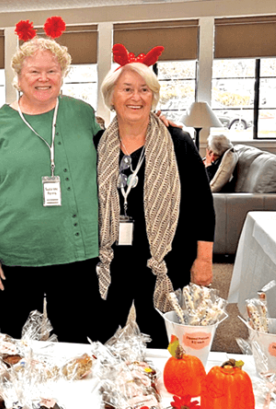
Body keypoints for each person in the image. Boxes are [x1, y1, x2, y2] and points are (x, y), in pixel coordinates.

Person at [0, 36, 104, 342]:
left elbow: (120, 148)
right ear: (18, 78)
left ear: (62, 74)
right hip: (15, 258)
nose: (43, 79)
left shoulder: (82, 114)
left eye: (52, 71)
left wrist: (157, 125)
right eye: (34, 72)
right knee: (21, 347)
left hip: (76, 254)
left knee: (78, 344)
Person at [95, 55, 215, 347]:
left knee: (164, 341)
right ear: (111, 96)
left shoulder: (178, 142)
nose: (136, 97)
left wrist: (204, 260)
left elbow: (202, 205)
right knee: (99, 335)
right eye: (127, 89)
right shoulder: (97, 143)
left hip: (165, 260)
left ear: (153, 96)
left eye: (144, 89)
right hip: (111, 259)